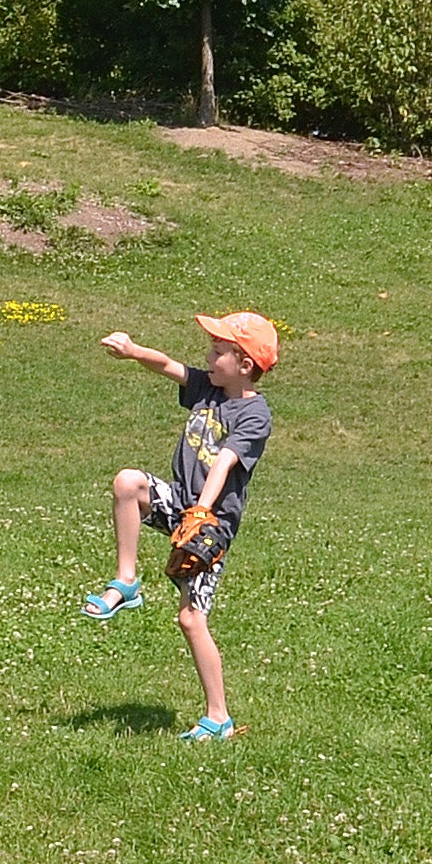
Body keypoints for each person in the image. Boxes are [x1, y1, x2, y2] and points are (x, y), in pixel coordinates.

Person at [83, 312, 281, 742]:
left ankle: (218, 717)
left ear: (244, 364)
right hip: (180, 502)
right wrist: (133, 351)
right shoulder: (207, 388)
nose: (208, 357)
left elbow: (226, 462)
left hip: (210, 531)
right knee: (128, 483)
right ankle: (126, 581)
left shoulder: (254, 414)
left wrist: (201, 512)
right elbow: (168, 365)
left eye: (218, 351)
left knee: (191, 620)